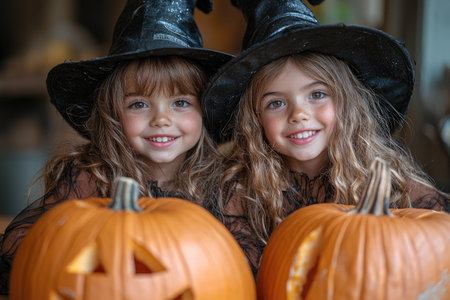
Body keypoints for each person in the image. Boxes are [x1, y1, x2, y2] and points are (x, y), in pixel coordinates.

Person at [0, 0, 233, 294]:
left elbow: (240, 267)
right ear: (113, 113)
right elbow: (21, 248)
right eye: (139, 104)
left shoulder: (224, 185)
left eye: (180, 103)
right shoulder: (90, 177)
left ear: (205, 111)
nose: (161, 119)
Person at [202, 0, 450, 276]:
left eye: (317, 94)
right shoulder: (238, 193)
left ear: (346, 103)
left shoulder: (397, 189)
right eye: (276, 103)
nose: (299, 114)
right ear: (255, 119)